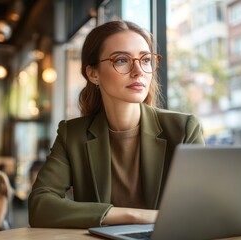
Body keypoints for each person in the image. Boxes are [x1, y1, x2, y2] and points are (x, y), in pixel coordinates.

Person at [28, 20, 205, 228]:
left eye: (146, 59)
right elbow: (40, 205)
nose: (138, 70)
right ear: (93, 74)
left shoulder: (183, 129)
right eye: (121, 60)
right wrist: (134, 216)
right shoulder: (73, 135)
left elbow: (201, 208)